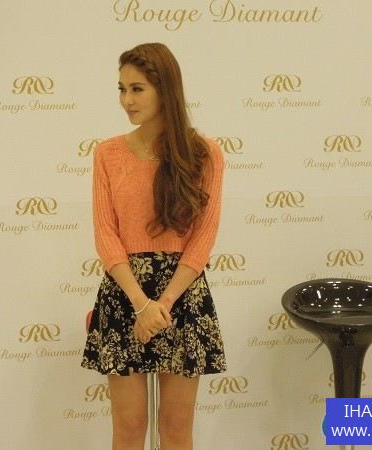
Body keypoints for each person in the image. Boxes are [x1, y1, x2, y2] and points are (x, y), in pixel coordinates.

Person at [82, 42, 226, 450]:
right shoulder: (107, 153)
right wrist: (141, 304)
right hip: (125, 293)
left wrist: (162, 302)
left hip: (182, 294)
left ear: (165, 90)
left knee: (176, 428)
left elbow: (203, 237)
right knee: (129, 427)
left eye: (137, 89)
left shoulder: (204, 154)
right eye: (121, 89)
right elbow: (105, 233)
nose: (126, 100)